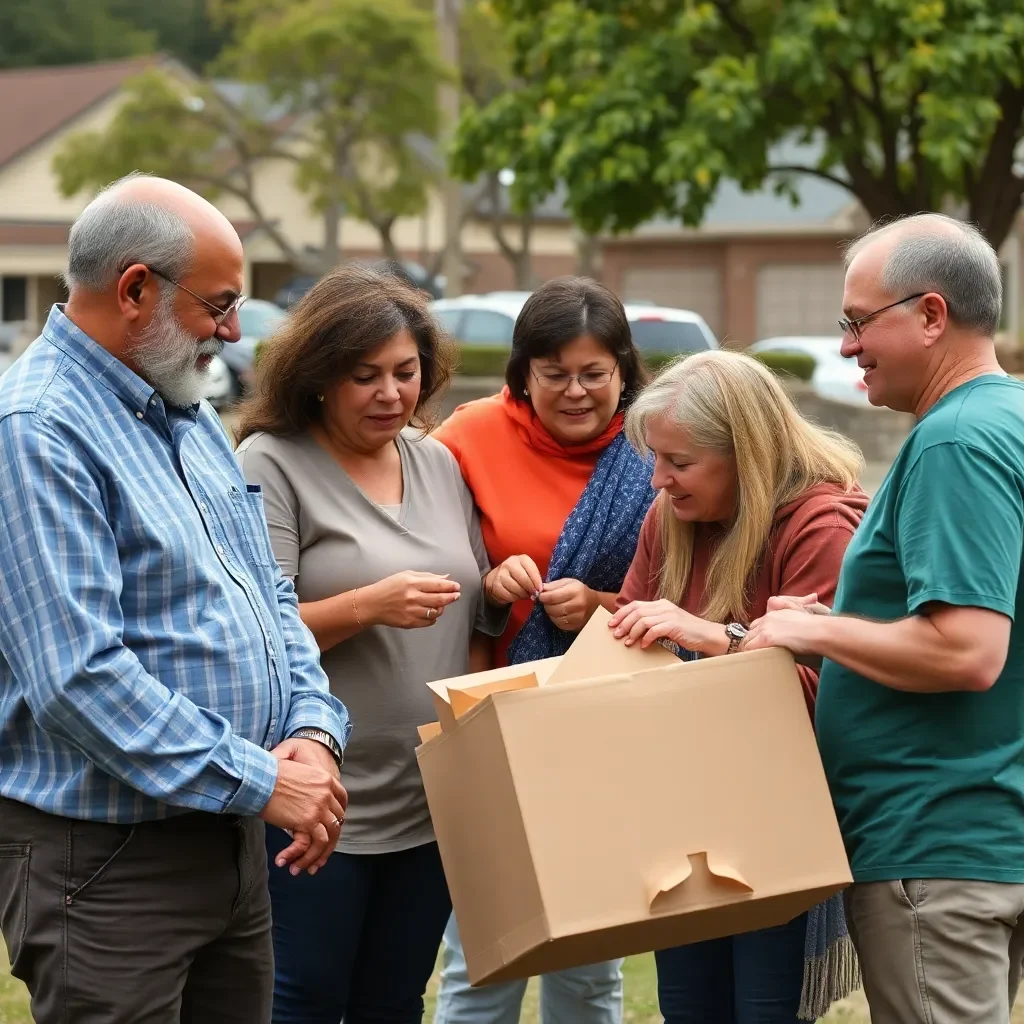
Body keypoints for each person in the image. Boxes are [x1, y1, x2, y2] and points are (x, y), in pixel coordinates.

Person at [0, 174, 350, 1024]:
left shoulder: (181, 407)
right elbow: (77, 675)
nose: (233, 332)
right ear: (134, 290)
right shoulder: (38, 430)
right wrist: (260, 775)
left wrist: (309, 729)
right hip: (109, 862)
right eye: (220, 305)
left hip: (223, 832)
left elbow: (267, 592)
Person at [744, 213, 1024, 1024]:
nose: (845, 347)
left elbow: (969, 650)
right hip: (987, 831)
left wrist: (814, 630)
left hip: (938, 844)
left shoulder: (955, 442)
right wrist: (844, 617)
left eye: (857, 322)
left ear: (930, 315)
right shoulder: (1006, 421)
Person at [234, 263, 509, 1024]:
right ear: (318, 375)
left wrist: (508, 584)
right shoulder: (271, 464)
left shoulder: (438, 461)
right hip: (322, 797)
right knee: (308, 996)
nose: (391, 395)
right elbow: (255, 628)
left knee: (395, 1000)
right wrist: (366, 605)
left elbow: (472, 612)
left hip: (430, 796)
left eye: (406, 373)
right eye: (365, 376)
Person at [609, 349, 868, 1024]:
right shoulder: (671, 516)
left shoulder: (822, 523)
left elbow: (839, 696)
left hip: (778, 818)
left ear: (745, 454)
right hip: (686, 812)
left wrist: (711, 636)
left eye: (680, 463)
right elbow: (627, 651)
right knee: (688, 1007)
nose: (659, 480)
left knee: (765, 1009)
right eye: (656, 459)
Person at [432, 276, 655, 1024]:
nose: (575, 392)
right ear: (522, 371)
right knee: (484, 958)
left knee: (591, 968)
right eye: (553, 373)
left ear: (624, 370)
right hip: (495, 725)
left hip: (607, 728)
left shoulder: (657, 447)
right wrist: (491, 588)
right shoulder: (466, 439)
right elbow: (425, 564)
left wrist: (599, 606)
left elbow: (689, 595)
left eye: (594, 373)